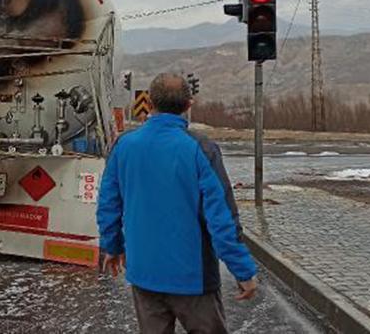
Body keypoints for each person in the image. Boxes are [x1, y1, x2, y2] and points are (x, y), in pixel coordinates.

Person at [97, 73, 257, 334]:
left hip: (144, 275)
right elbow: (222, 218)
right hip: (193, 279)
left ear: (148, 103)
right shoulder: (201, 149)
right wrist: (242, 270)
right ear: (188, 105)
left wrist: (111, 247)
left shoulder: (124, 146)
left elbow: (108, 206)